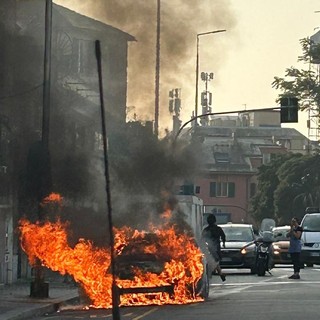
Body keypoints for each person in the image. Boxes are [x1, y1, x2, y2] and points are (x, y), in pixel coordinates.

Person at [202, 214, 226, 282]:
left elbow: (202, 239)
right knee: (216, 260)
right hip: (216, 247)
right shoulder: (218, 229)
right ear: (215, 221)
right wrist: (223, 243)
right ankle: (219, 273)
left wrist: (203, 246)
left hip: (208, 248)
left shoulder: (206, 230)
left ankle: (216, 272)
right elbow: (223, 236)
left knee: (213, 260)